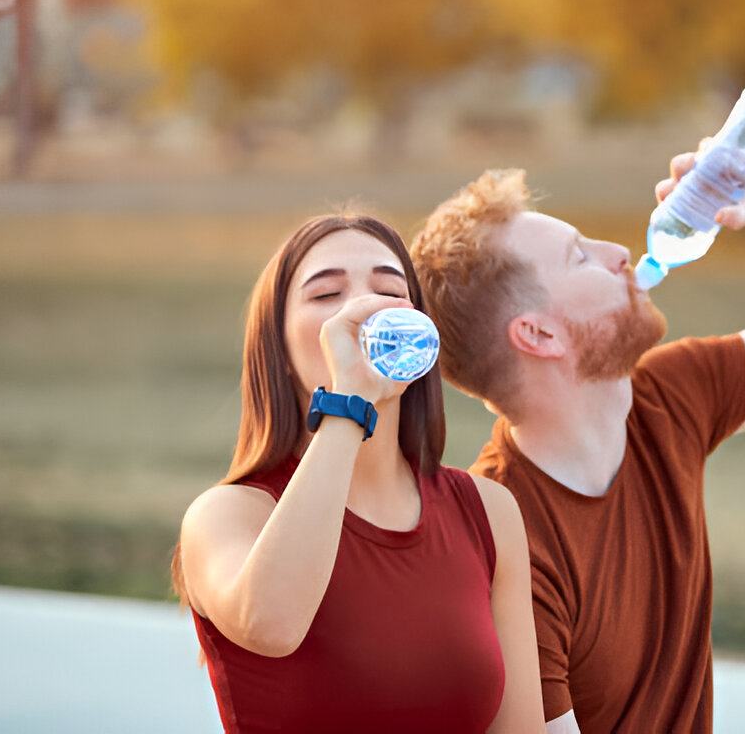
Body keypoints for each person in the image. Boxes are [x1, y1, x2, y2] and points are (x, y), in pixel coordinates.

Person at [410, 152, 745, 733]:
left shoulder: (667, 400)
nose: (617, 253)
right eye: (579, 255)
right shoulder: (502, 543)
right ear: (538, 334)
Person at [174, 213, 545, 733]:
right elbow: (273, 624)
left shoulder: (488, 513)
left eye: (390, 291)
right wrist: (348, 404)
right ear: (279, 349)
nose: (362, 310)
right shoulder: (228, 515)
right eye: (326, 296)